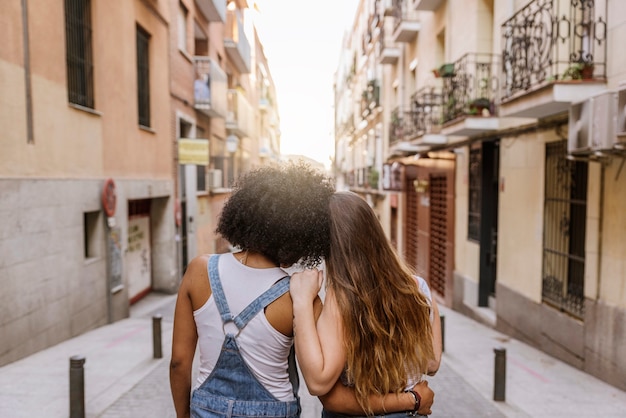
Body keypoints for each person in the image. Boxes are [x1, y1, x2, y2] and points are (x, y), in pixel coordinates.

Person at [169, 164, 434, 418]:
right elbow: (324, 382)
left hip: (207, 408)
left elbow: (179, 362)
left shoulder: (199, 270)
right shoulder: (297, 296)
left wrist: (183, 414)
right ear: (302, 235)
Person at [291, 191, 443, 417]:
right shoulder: (418, 289)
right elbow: (431, 363)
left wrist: (302, 302)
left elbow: (318, 381)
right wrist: (411, 396)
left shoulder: (341, 299)